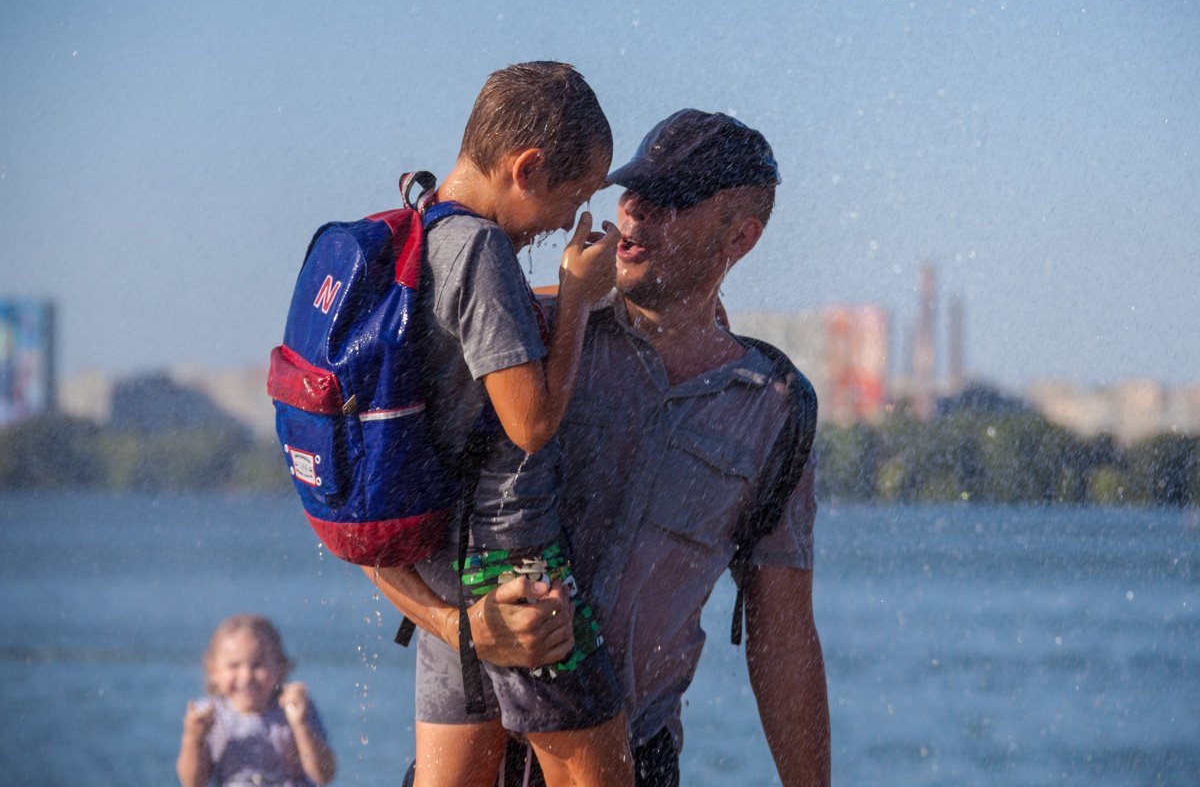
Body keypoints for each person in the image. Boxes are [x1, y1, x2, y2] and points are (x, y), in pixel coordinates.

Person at [375, 109, 831, 786]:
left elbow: (784, 637)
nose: (636, 209)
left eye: (672, 199)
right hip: (475, 753)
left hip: (634, 760)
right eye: (632, 189)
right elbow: (369, 522)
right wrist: (456, 627)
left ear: (741, 236)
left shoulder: (774, 407)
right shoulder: (526, 340)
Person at [366, 61, 632, 787]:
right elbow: (532, 423)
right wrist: (577, 297)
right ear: (527, 167)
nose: (561, 223)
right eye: (570, 198)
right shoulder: (481, 250)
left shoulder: (424, 233)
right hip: (514, 564)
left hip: (444, 563)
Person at [176, 614, 336, 787]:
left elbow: (323, 776)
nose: (246, 677)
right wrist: (193, 738)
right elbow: (192, 783)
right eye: (234, 665)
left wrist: (301, 725)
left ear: (280, 667)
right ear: (213, 671)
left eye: (258, 664)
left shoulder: (294, 709)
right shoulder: (208, 716)